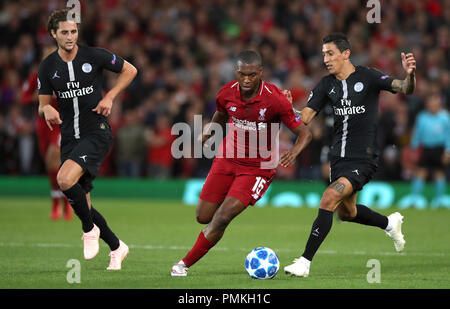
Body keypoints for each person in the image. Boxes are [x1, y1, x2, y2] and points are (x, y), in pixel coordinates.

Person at [284, 33, 416, 277]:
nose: (325, 58)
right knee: (347, 213)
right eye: (323, 53)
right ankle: (389, 224)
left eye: (330, 53)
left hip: (363, 159)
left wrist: (410, 75)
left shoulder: (368, 76)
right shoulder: (326, 85)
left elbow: (403, 87)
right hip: (338, 159)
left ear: (346, 54)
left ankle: (304, 262)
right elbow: (304, 118)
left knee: (328, 198)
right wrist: (286, 108)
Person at [171, 50, 312, 276]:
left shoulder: (275, 99)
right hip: (226, 160)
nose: (246, 79)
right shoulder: (226, 92)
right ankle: (213, 227)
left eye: (252, 75)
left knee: (222, 217)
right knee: (203, 217)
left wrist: (294, 151)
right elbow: (220, 115)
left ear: (260, 73)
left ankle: (183, 264)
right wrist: (207, 134)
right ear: (236, 72)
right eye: (242, 74)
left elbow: (305, 134)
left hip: (257, 169)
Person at [38, 9, 137, 270]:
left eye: (73, 31)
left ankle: (88, 230)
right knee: (84, 203)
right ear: (53, 34)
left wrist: (110, 96)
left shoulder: (94, 55)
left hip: (96, 131)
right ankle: (117, 247)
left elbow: (130, 70)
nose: (70, 37)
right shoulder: (48, 66)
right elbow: (42, 105)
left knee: (64, 179)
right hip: (70, 137)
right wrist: (46, 109)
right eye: (64, 32)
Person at [21, 46, 72, 221]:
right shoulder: (36, 77)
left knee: (54, 157)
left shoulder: (66, 77)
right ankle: (58, 200)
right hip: (43, 124)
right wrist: (35, 97)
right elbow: (23, 97)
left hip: (59, 123)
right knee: (49, 164)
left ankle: (62, 203)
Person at [410, 93, 450, 207]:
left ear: (439, 104)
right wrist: (414, 148)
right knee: (421, 172)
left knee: (439, 173)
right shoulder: (422, 117)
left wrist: (448, 151)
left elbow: (448, 135)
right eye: (430, 103)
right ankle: (414, 198)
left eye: (435, 102)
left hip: (440, 148)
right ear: (427, 104)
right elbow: (417, 134)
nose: (432, 105)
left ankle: (439, 200)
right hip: (426, 148)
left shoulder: (445, 117)